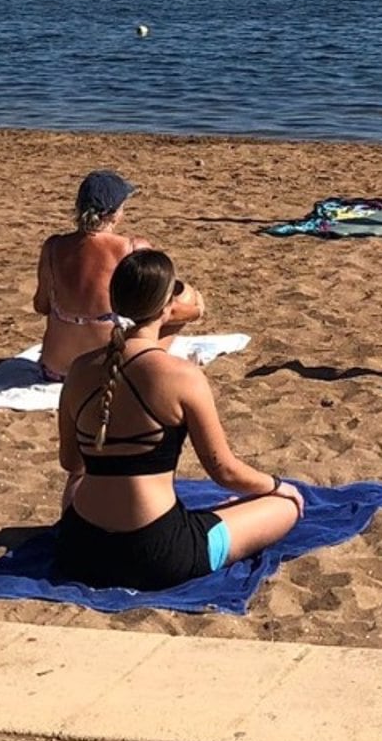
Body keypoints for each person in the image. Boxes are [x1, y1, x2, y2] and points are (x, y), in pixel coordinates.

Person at [55, 249, 302, 590]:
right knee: (285, 507)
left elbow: (71, 462)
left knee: (85, 476)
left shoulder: (81, 369)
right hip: (156, 554)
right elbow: (223, 470)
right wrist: (277, 485)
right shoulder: (182, 377)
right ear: (167, 306)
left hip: (78, 549)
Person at [31, 170, 170, 380]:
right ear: (114, 213)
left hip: (55, 368)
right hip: (109, 368)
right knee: (172, 313)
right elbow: (152, 309)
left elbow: (41, 306)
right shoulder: (133, 248)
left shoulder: (53, 247)